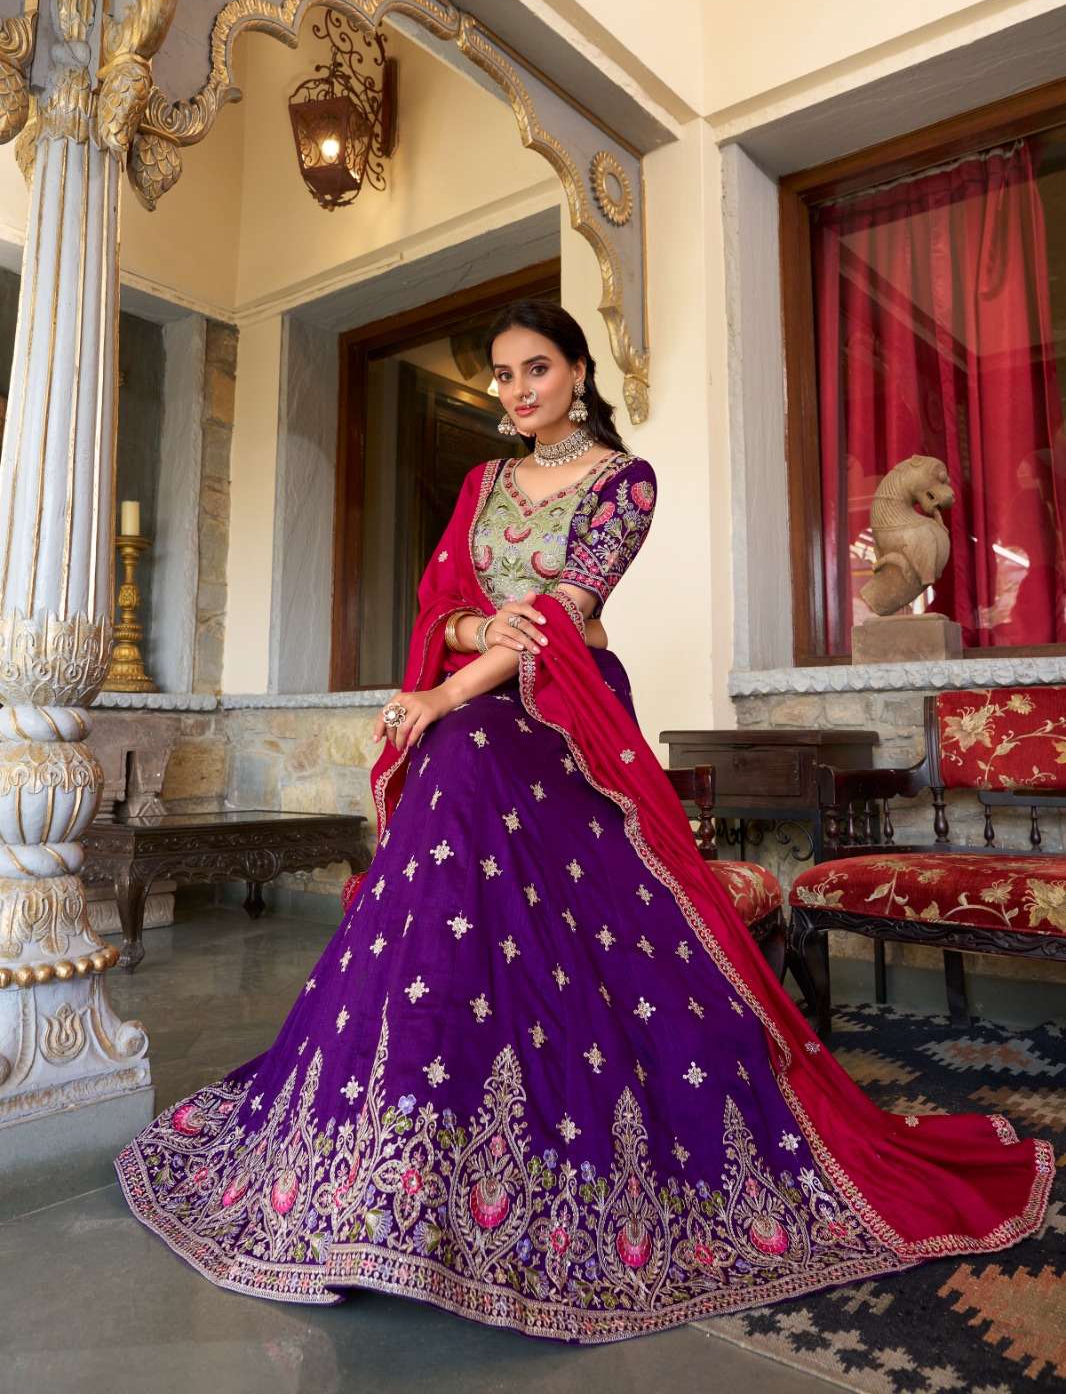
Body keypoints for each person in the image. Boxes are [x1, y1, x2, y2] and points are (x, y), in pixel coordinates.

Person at [116, 300, 1053, 1345]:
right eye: (501, 375)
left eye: (536, 369)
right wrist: (471, 634)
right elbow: (442, 608)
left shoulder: (623, 482)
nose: (517, 390)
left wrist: (443, 691)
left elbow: (565, 614)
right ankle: (398, 1140)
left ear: (576, 371)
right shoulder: (481, 483)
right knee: (454, 802)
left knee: (463, 751)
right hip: (482, 714)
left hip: (565, 716)